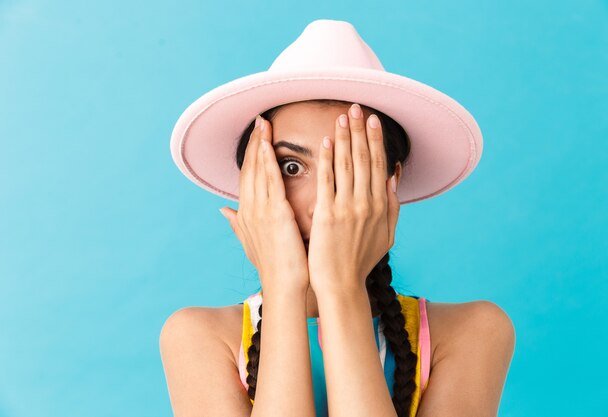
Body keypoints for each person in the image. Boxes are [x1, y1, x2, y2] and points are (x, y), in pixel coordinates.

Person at [160, 19, 515, 417]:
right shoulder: (198, 337)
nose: (321, 205)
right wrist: (283, 289)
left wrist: (341, 288)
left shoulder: (472, 332)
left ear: (390, 183)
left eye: (348, 169)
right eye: (290, 167)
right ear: (251, 186)